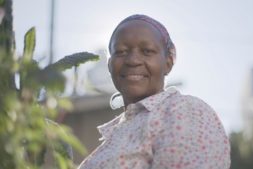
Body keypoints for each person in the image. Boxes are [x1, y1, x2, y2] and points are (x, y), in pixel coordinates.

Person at [78, 14, 230, 169]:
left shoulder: (183, 111)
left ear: (168, 62)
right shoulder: (118, 132)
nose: (132, 60)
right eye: (121, 51)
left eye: (147, 51)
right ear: (110, 65)